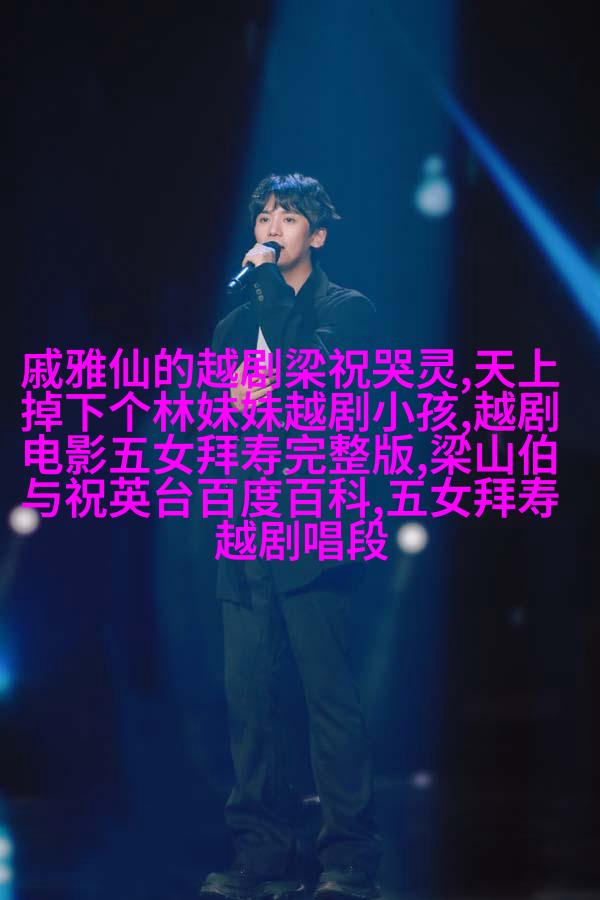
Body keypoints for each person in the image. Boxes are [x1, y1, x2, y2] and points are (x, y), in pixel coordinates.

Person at [200, 174, 382, 900]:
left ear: (320, 234)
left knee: (328, 701)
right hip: (245, 532)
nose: (272, 226)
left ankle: (349, 860)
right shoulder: (232, 328)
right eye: (264, 216)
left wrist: (270, 295)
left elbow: (319, 390)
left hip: (314, 532)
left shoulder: (348, 311)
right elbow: (212, 428)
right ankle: (263, 856)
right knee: (251, 705)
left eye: (290, 216)